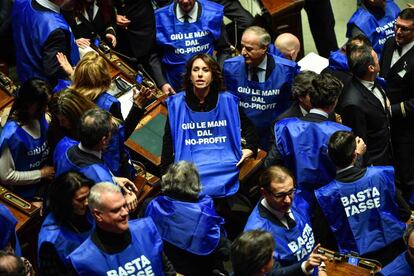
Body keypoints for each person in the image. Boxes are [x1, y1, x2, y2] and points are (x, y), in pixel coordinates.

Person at [161, 53, 258, 198]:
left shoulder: (228, 100)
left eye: (205, 70)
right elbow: (168, 141)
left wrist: (250, 148)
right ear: (189, 75)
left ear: (213, 75)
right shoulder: (176, 104)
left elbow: (250, 128)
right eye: (196, 70)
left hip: (224, 168)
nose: (200, 74)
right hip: (189, 172)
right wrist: (165, 175)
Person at [315, 131, 409, 266]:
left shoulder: (325, 195)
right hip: (395, 255)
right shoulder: (381, 175)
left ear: (329, 156)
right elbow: (405, 212)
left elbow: (325, 241)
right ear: (355, 155)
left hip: (356, 264)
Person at [264, 74, 351, 204]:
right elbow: (351, 173)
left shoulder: (285, 127)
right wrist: (358, 154)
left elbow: (270, 164)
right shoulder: (342, 132)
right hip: (327, 199)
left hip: (298, 199)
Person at [68, 182, 176, 275]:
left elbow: (167, 269)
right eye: (116, 210)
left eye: (124, 206)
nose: (125, 213)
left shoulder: (146, 229)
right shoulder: (83, 260)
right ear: (98, 215)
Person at [144, 161, 229, 275]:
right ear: (196, 183)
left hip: (163, 268)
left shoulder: (150, 205)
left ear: (167, 179)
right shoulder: (203, 217)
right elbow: (225, 251)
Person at [224, 26, 298, 150]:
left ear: (264, 48)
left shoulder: (287, 71)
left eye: (249, 49)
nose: (242, 52)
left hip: (275, 136)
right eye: (242, 46)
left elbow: (294, 104)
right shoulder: (230, 68)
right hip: (243, 136)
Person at [244, 166, 327, 275]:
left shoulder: (297, 196)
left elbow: (313, 242)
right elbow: (270, 273)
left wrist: (321, 267)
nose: (288, 200)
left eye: (290, 192)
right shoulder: (256, 233)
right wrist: (304, 267)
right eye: (280, 195)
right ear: (264, 193)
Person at [53, 107, 139, 211]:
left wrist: (114, 180)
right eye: (111, 131)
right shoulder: (102, 179)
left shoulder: (66, 151)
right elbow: (110, 215)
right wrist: (124, 196)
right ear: (104, 140)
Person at [62, 51, 150, 139]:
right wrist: (137, 107)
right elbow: (121, 136)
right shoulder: (110, 105)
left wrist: (73, 76)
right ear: (105, 77)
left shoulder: (63, 93)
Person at [149, 0, 232, 94]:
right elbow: (153, 54)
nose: (185, 1)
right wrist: (162, 83)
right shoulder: (159, 17)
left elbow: (224, 49)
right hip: (174, 88)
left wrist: (216, 75)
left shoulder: (213, 14)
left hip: (207, 87)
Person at [49, 89, 135, 179]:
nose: (61, 124)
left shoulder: (101, 127)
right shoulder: (59, 128)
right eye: (58, 120)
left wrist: (113, 180)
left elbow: (112, 164)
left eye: (63, 120)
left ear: (75, 117)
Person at [0, 79, 54, 204]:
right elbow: (5, 176)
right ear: (27, 104)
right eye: (42, 106)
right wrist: (41, 174)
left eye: (47, 104)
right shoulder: (11, 136)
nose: (46, 109)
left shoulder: (41, 118)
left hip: (43, 185)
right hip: (23, 195)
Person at [340, 41, 393, 166]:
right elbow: (361, 143)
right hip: (376, 162)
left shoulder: (370, 80)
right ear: (371, 68)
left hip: (388, 150)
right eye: (376, 58)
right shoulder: (353, 104)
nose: (379, 59)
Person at [380, 8, 414, 203]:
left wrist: (391, 111)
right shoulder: (389, 44)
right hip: (387, 122)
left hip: (408, 124)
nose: (398, 32)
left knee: (407, 168)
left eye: (405, 29)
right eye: (397, 26)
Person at [38, 171, 94, 275]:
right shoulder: (50, 240)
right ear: (65, 201)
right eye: (80, 200)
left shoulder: (90, 212)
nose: (87, 203)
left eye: (88, 196)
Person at [11, 0, 80, 85]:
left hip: (24, 75)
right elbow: (56, 74)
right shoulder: (56, 29)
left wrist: (68, 43)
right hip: (44, 88)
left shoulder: (19, 2)